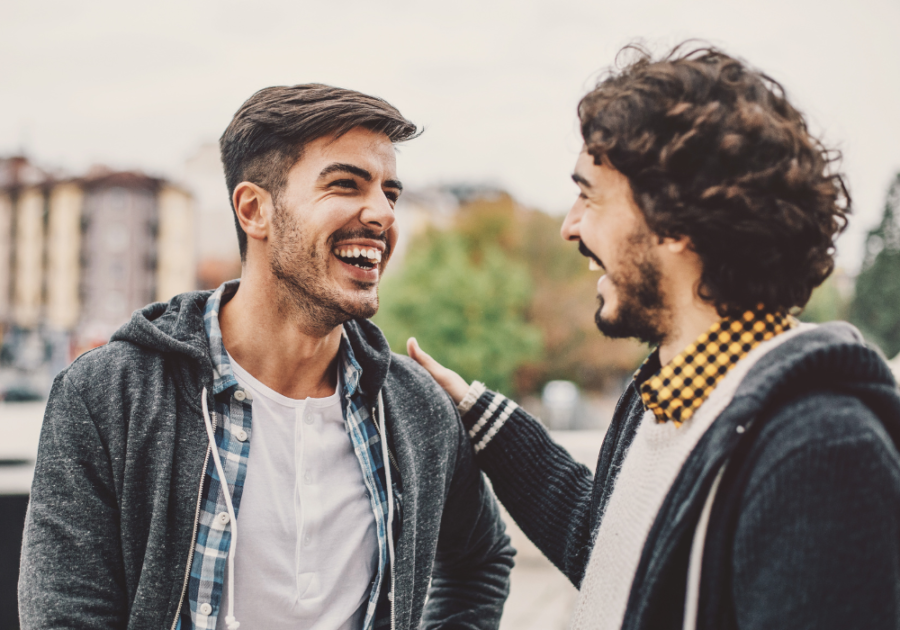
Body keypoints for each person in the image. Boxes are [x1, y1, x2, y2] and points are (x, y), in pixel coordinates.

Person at [410, 45, 900, 630]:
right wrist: (476, 412)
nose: (570, 226)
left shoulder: (820, 451)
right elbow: (619, 555)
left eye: (589, 195)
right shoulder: (667, 394)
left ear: (675, 221)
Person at [19, 84, 514, 630]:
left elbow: (480, 561)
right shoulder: (109, 396)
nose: (381, 214)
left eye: (390, 193)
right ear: (254, 210)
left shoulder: (414, 406)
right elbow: (66, 615)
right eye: (346, 185)